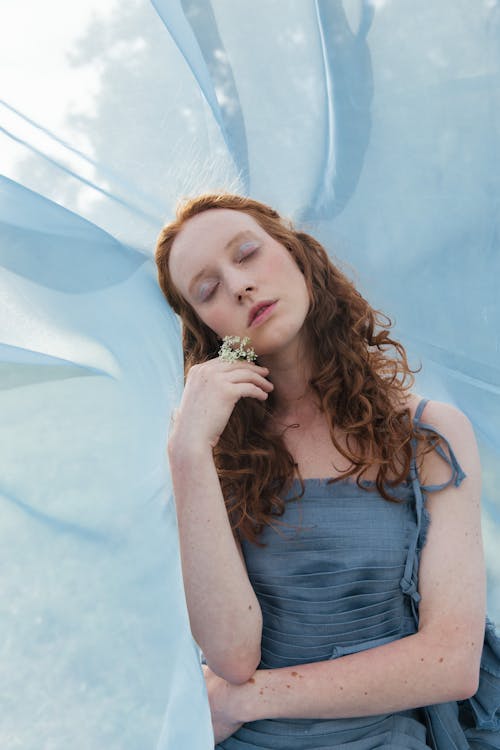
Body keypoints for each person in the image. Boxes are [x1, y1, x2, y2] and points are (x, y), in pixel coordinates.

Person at [154, 193, 500, 749]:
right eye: (207, 290)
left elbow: (450, 661)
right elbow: (233, 654)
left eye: (246, 254)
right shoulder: (211, 457)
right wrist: (188, 454)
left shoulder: (429, 434)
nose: (238, 285)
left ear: (296, 254)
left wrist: (247, 699)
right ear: (209, 330)